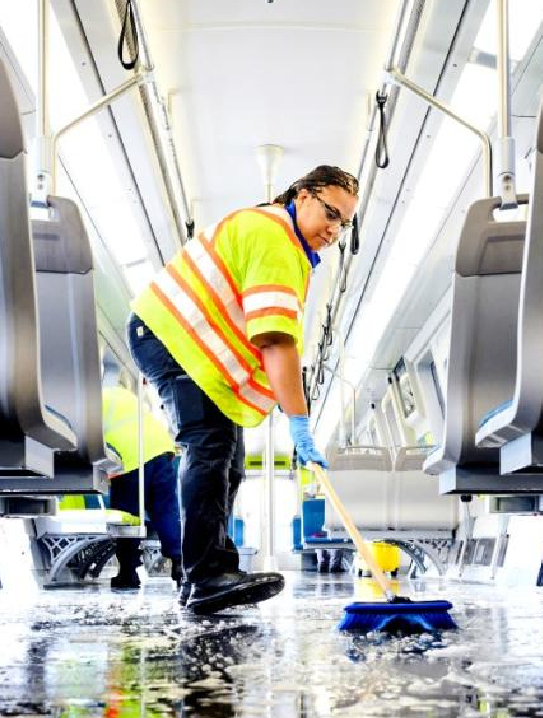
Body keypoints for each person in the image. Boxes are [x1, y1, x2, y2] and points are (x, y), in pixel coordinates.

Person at [128, 165, 358, 615]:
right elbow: (275, 339)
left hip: (190, 348)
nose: (334, 230)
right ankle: (206, 575)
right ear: (303, 196)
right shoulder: (276, 237)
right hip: (173, 336)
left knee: (229, 465)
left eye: (343, 223)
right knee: (209, 448)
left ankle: (205, 576)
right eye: (331, 214)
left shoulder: (280, 239)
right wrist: (298, 421)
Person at [101, 384, 183, 590]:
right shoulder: (121, 393)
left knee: (127, 513)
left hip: (131, 455)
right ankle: (180, 565)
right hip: (162, 449)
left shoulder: (90, 403)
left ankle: (128, 572)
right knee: (165, 511)